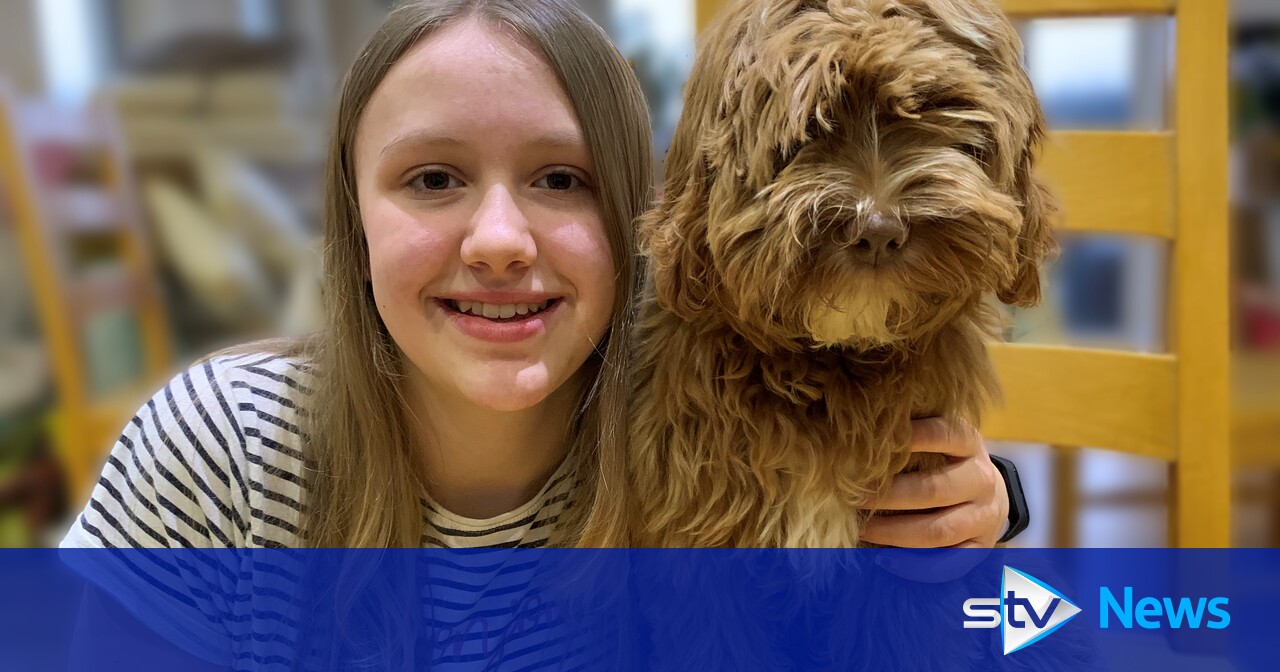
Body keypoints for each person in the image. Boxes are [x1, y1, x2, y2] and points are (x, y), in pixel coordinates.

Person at [59, 0, 1017, 666]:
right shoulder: (219, 449)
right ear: (352, 228)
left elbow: (1029, 627)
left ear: (640, 225)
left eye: (561, 180)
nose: (500, 243)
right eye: (432, 178)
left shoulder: (695, 426)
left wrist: (990, 515)